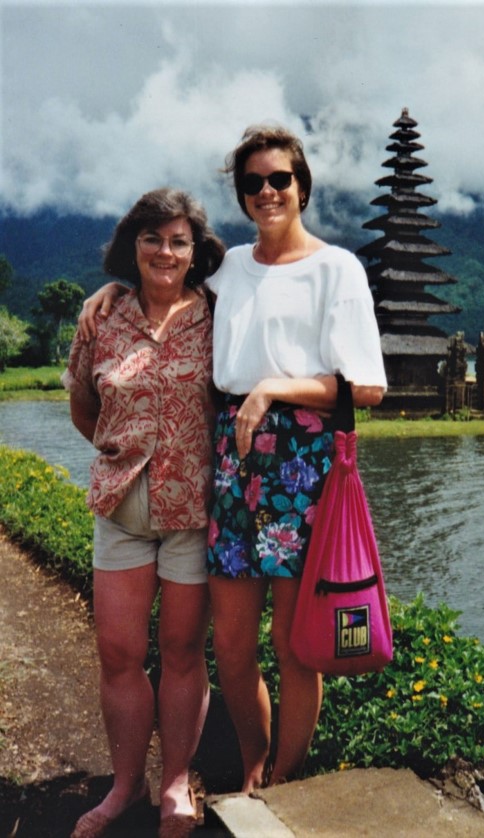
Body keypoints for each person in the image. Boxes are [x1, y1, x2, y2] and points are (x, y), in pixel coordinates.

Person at [77, 124, 387, 794]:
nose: (267, 191)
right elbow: (164, 279)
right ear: (241, 196)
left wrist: (273, 387)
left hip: (302, 462)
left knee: (295, 644)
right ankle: (252, 762)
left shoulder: (336, 269)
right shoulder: (229, 269)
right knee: (232, 646)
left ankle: (283, 777)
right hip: (229, 461)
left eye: (280, 179)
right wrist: (109, 294)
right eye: (253, 183)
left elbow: (366, 386)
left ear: (301, 185)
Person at [63, 187, 224, 838]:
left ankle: (177, 782)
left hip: (193, 506)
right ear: (133, 245)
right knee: (118, 652)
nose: (165, 250)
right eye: (152, 237)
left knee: (183, 650)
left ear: (195, 252)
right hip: (121, 507)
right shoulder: (101, 317)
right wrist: (117, 451)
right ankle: (125, 787)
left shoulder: (216, 312)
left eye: (178, 240)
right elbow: (80, 401)